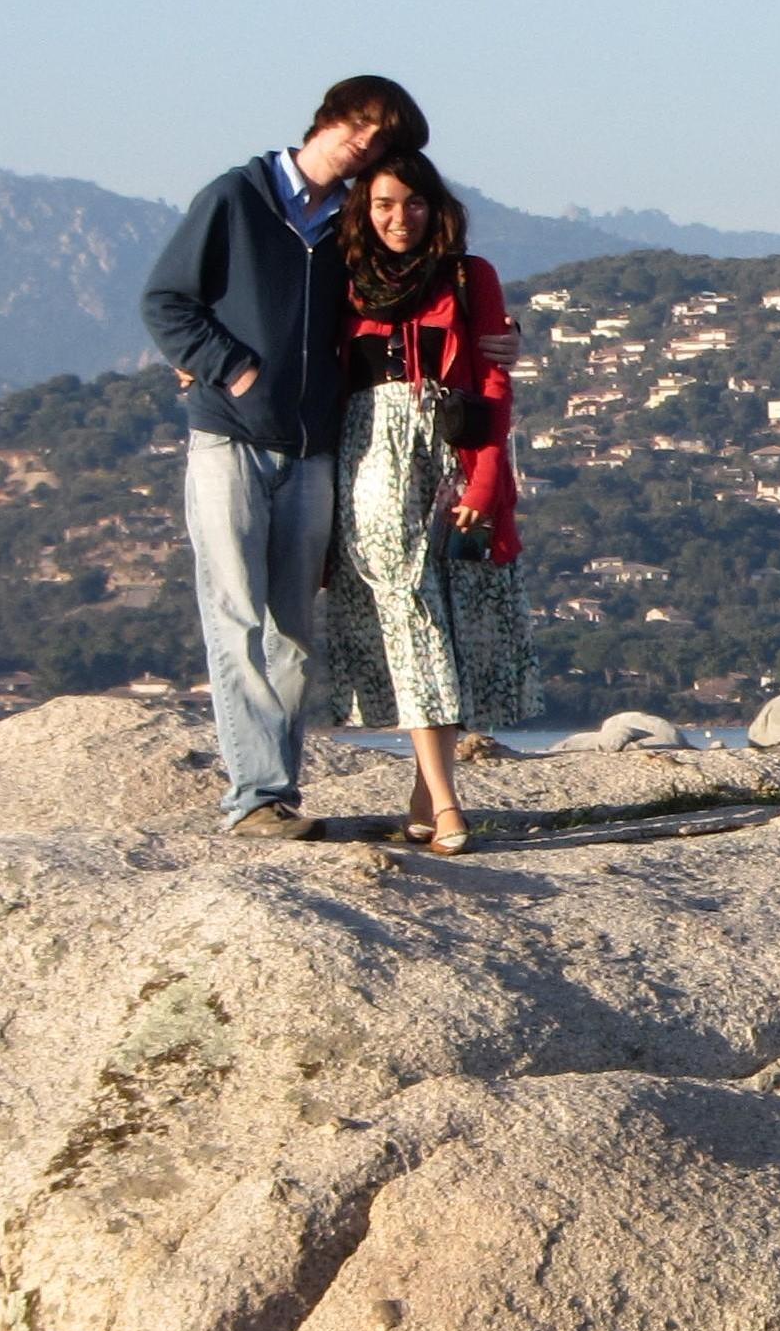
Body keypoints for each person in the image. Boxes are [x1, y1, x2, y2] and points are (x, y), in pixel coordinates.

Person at [139, 77, 512, 839]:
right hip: (231, 437)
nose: (364, 146)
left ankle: (278, 794)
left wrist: (499, 336)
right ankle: (255, 797)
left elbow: (409, 297)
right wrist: (230, 368)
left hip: (315, 449)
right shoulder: (237, 198)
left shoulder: (349, 223)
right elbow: (167, 301)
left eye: (380, 141)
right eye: (358, 127)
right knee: (237, 614)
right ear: (327, 119)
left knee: (293, 630)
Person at [327, 148, 541, 853]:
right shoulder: (338, 274)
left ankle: (425, 793)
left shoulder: (469, 276)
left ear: (436, 208)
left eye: (414, 203)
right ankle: (447, 805)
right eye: (384, 204)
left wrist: (486, 482)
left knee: (445, 622)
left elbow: (493, 385)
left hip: (452, 453)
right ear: (363, 209)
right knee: (408, 611)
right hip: (369, 455)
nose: (400, 218)